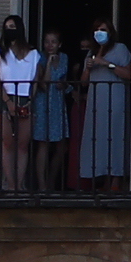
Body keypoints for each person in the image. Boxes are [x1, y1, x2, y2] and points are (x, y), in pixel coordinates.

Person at [75, 18, 131, 192]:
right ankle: (101, 179)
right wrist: (88, 68)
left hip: (116, 101)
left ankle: (116, 179)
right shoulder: (91, 52)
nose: (100, 32)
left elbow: (129, 74)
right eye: (97, 29)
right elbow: (83, 83)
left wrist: (108, 64)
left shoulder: (120, 49)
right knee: (98, 139)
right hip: (96, 104)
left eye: (104, 29)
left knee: (116, 137)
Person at [0, 18, 44, 193]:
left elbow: (36, 80)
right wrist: (8, 102)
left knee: (22, 144)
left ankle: (19, 185)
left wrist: (29, 100)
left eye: (12, 27)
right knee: (7, 142)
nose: (9, 30)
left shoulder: (34, 54)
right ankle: (10, 185)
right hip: (2, 98)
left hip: (25, 98)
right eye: (6, 27)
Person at [28, 28, 75, 192]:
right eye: (47, 41)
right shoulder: (39, 58)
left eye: (53, 42)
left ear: (59, 44)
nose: (49, 45)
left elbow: (63, 80)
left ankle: (51, 181)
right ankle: (42, 186)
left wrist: (65, 85)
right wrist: (48, 63)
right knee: (43, 144)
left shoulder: (65, 58)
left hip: (57, 103)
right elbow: (44, 84)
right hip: (43, 103)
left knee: (62, 146)